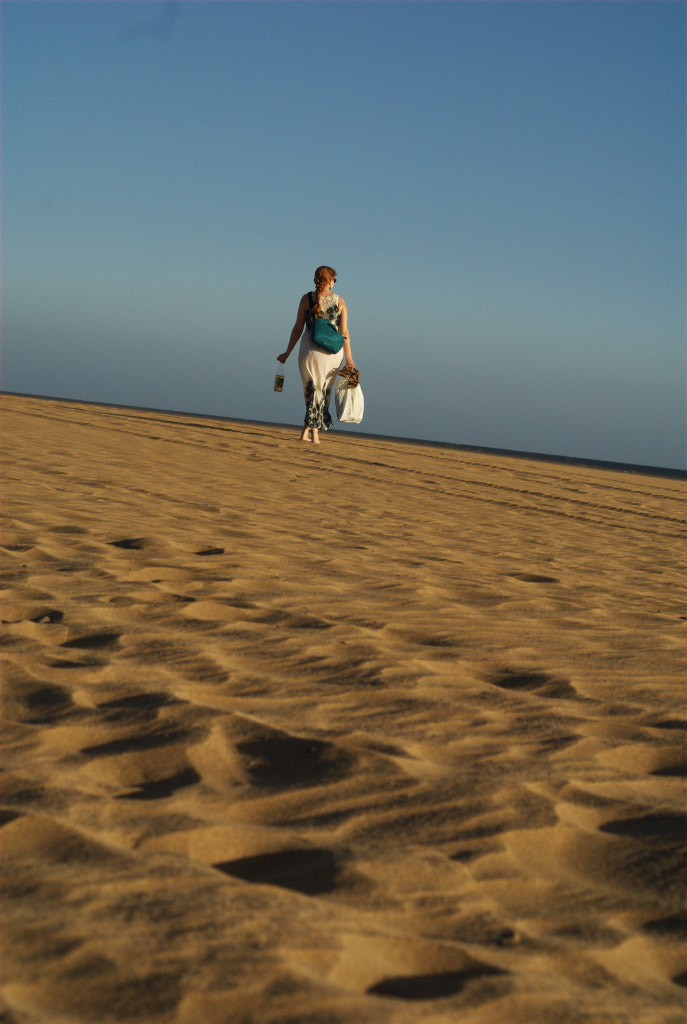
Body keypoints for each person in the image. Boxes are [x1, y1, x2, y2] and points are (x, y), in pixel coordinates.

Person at [277, 266, 355, 444]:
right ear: (329, 281)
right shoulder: (340, 301)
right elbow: (344, 331)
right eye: (334, 279)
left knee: (311, 390)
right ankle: (315, 435)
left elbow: (298, 328)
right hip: (332, 353)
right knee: (322, 391)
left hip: (309, 348)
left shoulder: (306, 299)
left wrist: (287, 352)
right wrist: (349, 357)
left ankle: (306, 432)